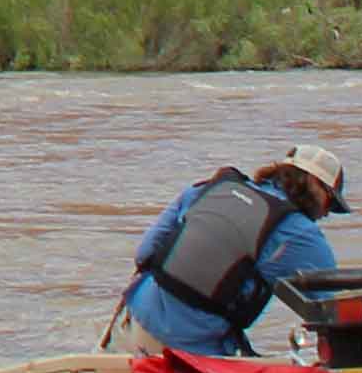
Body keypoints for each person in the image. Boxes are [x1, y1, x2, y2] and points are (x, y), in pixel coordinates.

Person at [114, 144, 348, 358]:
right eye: (330, 203)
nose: (326, 213)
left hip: (135, 325)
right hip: (190, 354)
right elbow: (334, 313)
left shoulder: (207, 189)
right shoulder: (298, 233)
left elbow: (144, 254)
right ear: (314, 185)